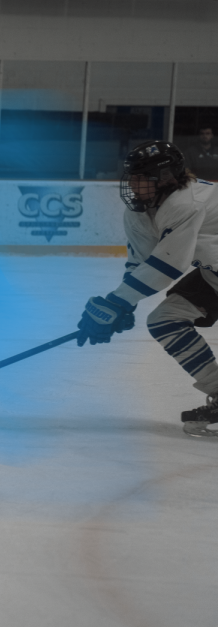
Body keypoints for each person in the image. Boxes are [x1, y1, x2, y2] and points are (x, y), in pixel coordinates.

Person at [75, 140, 218, 437]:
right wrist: (125, 304)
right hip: (213, 275)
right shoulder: (139, 212)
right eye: (132, 178)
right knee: (165, 320)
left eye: (141, 179)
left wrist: (117, 303)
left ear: (166, 178)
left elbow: (169, 264)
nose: (132, 185)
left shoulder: (187, 202)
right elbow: (141, 263)